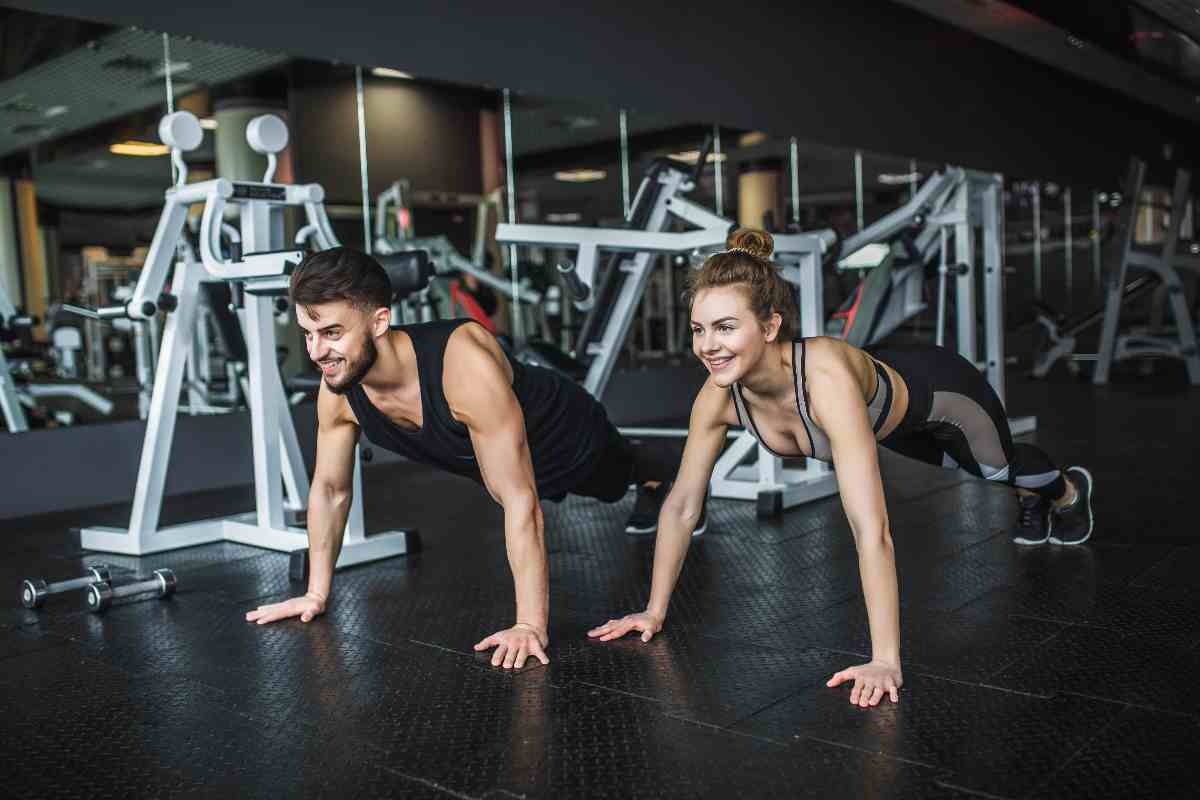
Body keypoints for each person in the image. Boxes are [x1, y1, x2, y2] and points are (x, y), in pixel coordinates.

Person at [588, 228, 1094, 707]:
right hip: (883, 421)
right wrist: (653, 611)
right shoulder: (719, 398)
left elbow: (871, 529)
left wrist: (885, 660)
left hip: (940, 396)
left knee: (995, 472)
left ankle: (1066, 492)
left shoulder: (823, 380)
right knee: (973, 470)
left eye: (725, 327)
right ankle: (1041, 493)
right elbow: (681, 504)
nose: (708, 345)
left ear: (769, 326)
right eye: (699, 329)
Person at [244, 247, 696, 669]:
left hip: (564, 431)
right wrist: (315, 593)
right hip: (497, 457)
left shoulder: (461, 363)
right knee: (572, 487)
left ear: (379, 322)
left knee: (609, 480)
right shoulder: (340, 389)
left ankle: (656, 464)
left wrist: (528, 625)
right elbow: (330, 489)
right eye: (308, 334)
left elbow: (520, 501)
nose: (317, 352)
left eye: (332, 333)